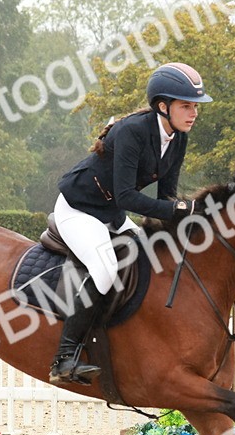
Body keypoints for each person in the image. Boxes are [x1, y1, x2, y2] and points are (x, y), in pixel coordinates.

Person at [49, 61, 212, 384]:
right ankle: (64, 359)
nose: (193, 113)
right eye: (186, 106)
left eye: (195, 106)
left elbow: (166, 196)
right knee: (107, 269)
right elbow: (127, 197)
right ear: (163, 106)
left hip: (109, 212)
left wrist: (191, 218)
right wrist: (181, 209)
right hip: (79, 208)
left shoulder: (177, 137)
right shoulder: (132, 131)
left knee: (148, 259)